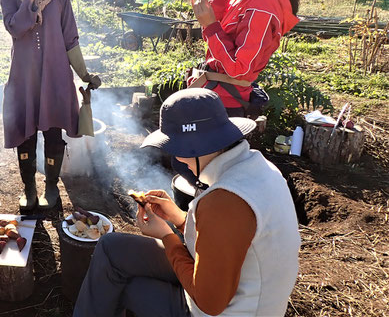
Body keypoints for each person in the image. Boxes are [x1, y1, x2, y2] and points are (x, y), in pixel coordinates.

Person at [74, 88, 301, 317]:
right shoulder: (260, 168)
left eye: (178, 149)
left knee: (128, 287)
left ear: (197, 146)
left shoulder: (224, 202)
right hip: (237, 288)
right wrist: (179, 219)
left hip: (225, 309)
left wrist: (167, 236)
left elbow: (209, 303)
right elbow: (227, 241)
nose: (178, 159)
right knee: (112, 247)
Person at [1, 0, 101, 211]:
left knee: (54, 134)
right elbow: (17, 28)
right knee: (26, 134)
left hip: (56, 79)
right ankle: (29, 189)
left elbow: (70, 39)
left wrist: (84, 74)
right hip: (24, 81)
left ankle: (51, 188)